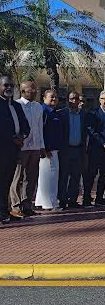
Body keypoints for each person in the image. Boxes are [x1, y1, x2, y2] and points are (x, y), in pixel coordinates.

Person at [10, 81, 44, 217]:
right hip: (21, 147)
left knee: (31, 178)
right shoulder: (17, 106)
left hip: (35, 147)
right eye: (31, 90)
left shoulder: (38, 107)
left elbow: (40, 127)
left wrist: (42, 146)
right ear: (23, 91)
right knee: (17, 177)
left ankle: (27, 205)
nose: (35, 92)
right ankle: (16, 206)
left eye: (35, 90)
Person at [0, 76, 30, 224]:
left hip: (14, 150)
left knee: (7, 182)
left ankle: (5, 212)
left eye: (11, 85)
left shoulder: (17, 106)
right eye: (6, 85)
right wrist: (12, 138)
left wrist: (22, 136)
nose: (9, 88)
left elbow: (26, 126)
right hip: (2, 149)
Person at [35, 90, 64, 211]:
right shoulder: (44, 111)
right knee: (48, 178)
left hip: (54, 150)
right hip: (47, 151)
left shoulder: (54, 112)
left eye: (56, 97)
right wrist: (45, 148)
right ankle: (49, 204)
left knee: (50, 177)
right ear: (44, 97)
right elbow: (41, 131)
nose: (54, 99)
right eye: (51, 97)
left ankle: (42, 201)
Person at [58, 91, 87, 209]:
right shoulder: (61, 114)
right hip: (65, 150)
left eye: (76, 99)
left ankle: (73, 200)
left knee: (76, 176)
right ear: (67, 100)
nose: (74, 101)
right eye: (71, 99)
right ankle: (62, 199)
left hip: (79, 149)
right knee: (63, 176)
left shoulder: (84, 114)